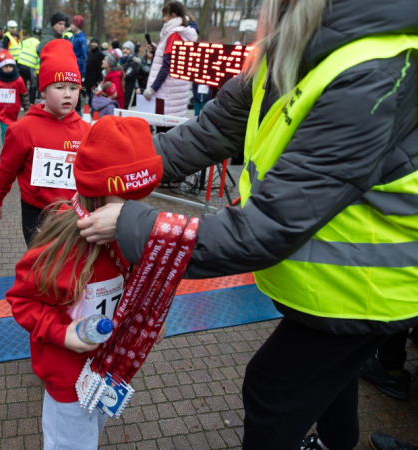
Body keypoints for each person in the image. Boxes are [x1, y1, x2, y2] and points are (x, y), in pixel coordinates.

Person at [77, 0, 418, 449]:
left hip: (366, 290)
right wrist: (117, 169)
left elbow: (265, 230)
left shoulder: (370, 73)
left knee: (271, 390)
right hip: (334, 283)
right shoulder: (290, 49)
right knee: (330, 378)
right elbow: (209, 132)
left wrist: (132, 224)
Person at [6, 115, 166, 450]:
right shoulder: (61, 249)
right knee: (72, 443)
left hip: (109, 368)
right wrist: (61, 332)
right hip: (68, 375)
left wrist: (146, 320)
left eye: (142, 201)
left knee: (91, 430)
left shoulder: (133, 238)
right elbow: (23, 301)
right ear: (96, 195)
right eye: (125, 201)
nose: (134, 214)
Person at [0, 39, 89, 247]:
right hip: (36, 211)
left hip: (74, 213)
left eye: (74, 88)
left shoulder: (87, 132)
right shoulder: (22, 130)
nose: (67, 94)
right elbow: (6, 169)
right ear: (43, 90)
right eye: (60, 87)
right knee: (39, 266)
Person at [142, 1, 198, 120]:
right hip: (177, 90)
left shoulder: (174, 34)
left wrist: (152, 88)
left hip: (167, 92)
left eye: (165, 15)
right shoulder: (185, 32)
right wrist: (158, 49)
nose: (163, 19)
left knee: (164, 131)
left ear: (173, 16)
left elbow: (167, 65)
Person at [0, 49, 30, 143]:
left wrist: (27, 109)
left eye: (10, 66)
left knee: (12, 131)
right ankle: (6, 152)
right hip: (1, 112)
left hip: (14, 111)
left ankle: (10, 149)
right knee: (5, 131)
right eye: (5, 66)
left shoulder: (18, 80)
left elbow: (24, 95)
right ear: (0, 67)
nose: (8, 68)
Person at [18, 27, 41, 103]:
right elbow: (38, 59)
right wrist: (38, 72)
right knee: (32, 86)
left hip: (20, 65)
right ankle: (31, 103)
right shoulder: (38, 44)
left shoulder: (25, 41)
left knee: (22, 85)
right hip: (30, 67)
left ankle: (22, 103)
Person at [69, 15, 87, 113]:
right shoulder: (73, 36)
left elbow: (83, 56)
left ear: (77, 25)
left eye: (73, 23)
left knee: (76, 90)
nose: (71, 25)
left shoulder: (81, 39)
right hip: (72, 66)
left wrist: (79, 68)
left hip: (78, 68)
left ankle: (78, 111)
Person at [84, 37, 104, 111]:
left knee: (94, 97)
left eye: (95, 42)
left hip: (95, 80)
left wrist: (99, 79)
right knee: (88, 95)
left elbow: (100, 68)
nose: (93, 44)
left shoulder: (100, 54)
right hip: (88, 79)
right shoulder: (90, 52)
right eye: (92, 42)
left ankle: (94, 112)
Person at [120, 41, 140, 108]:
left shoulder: (133, 63)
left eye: (127, 49)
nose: (125, 51)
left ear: (131, 51)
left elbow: (126, 76)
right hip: (120, 93)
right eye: (123, 48)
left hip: (128, 93)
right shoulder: (121, 61)